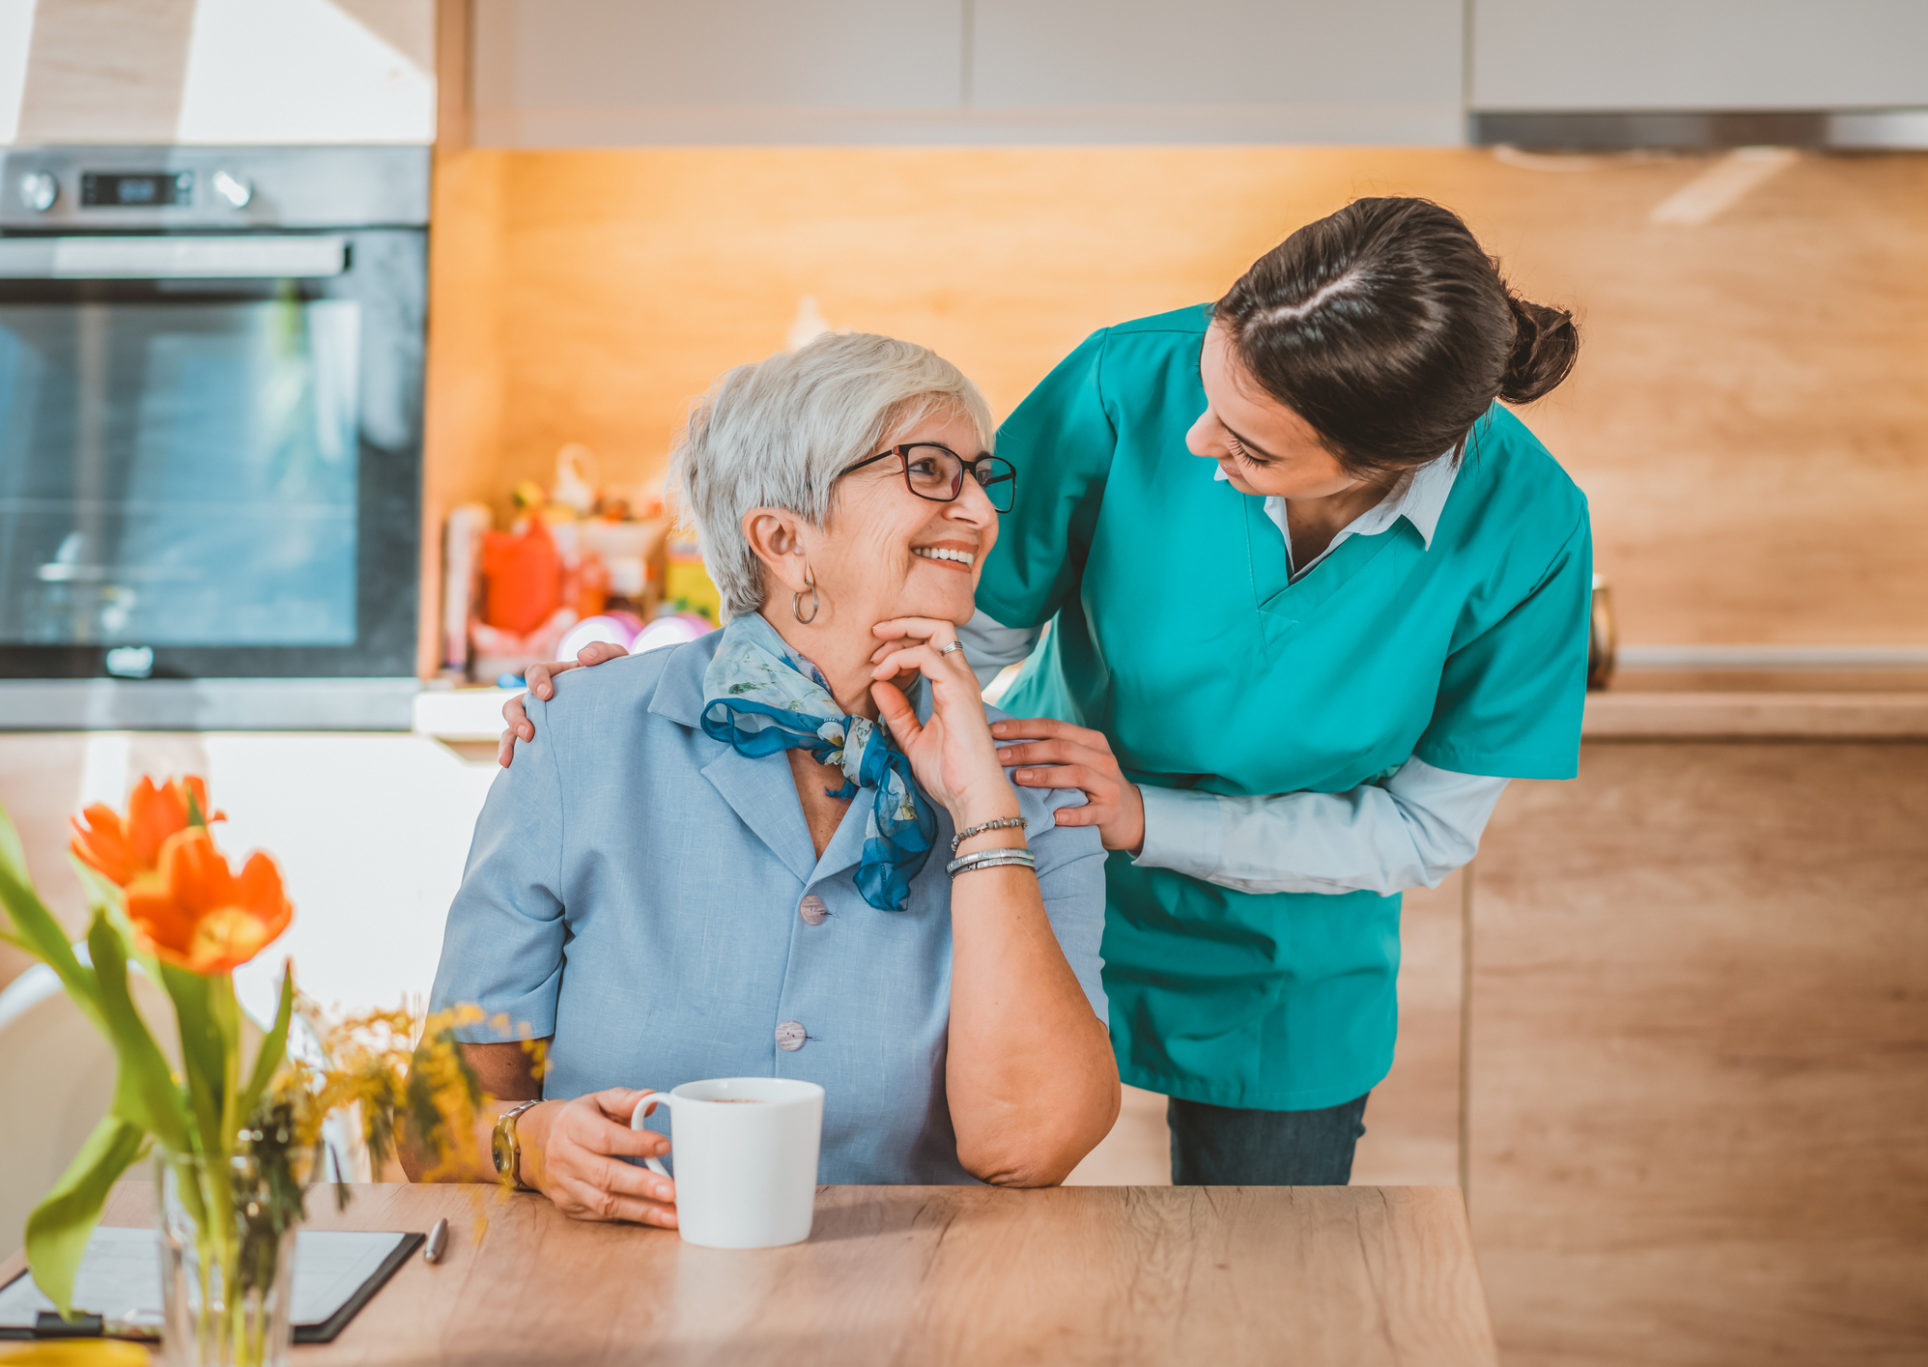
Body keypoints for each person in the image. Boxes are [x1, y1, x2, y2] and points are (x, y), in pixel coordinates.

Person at [506, 196, 1590, 1187]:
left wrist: (1144, 816)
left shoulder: (1526, 531)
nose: (1195, 439)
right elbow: (901, 609)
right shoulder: (1132, 383)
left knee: (1255, 1299)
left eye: (1246, 443)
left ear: (1381, 461)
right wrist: (664, 688)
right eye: (1210, 385)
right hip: (1012, 879)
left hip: (1283, 959)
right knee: (987, 1241)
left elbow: (1421, 828)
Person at [410, 333, 1120, 1223]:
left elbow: (1031, 1145)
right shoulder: (585, 734)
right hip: (619, 1301)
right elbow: (434, 1122)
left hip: (923, 1304)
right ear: (784, 538)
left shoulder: (1033, 782)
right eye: (932, 470)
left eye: (981, 476)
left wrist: (983, 820)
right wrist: (533, 1141)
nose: (980, 513)